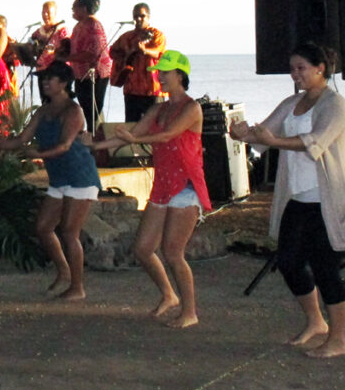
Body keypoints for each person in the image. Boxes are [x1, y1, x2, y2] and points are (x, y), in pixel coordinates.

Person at [230, 42, 345, 358]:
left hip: (327, 198)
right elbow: (264, 133)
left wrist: (274, 140)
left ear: (320, 68)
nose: (295, 75)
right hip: (298, 196)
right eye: (292, 69)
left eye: (301, 68)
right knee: (289, 261)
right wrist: (241, 133)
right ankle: (316, 322)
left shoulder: (335, 105)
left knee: (325, 268)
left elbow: (314, 142)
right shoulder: (292, 102)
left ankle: (340, 337)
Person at [92, 50, 209, 328]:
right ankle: (170, 295)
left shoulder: (192, 108)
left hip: (186, 185)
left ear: (180, 75)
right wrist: (93, 146)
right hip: (164, 185)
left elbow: (167, 135)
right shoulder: (158, 108)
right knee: (143, 248)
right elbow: (129, 135)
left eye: (165, 72)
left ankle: (190, 312)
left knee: (172, 252)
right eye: (159, 72)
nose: (159, 76)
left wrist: (135, 137)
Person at [0, 61, 100, 299]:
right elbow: (21, 139)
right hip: (59, 176)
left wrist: (37, 155)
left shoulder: (74, 110)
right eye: (43, 80)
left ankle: (78, 287)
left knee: (70, 232)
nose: (44, 83)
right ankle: (64, 272)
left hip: (79, 175)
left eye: (49, 79)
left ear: (63, 83)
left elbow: (64, 145)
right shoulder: (43, 111)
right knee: (43, 228)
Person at [109, 3, 166, 123]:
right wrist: (125, 58)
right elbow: (112, 52)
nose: (138, 19)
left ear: (148, 17)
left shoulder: (156, 35)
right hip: (131, 89)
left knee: (154, 127)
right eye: (135, 16)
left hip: (152, 89)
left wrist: (144, 50)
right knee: (131, 127)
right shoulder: (126, 37)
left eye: (142, 16)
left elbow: (158, 53)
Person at [68, 0, 112, 132]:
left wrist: (67, 58)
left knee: (93, 112)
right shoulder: (79, 25)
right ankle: (92, 139)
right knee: (86, 110)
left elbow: (91, 53)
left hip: (95, 75)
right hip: (81, 75)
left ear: (84, 8)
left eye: (74, 8)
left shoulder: (93, 24)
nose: (72, 11)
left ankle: (96, 143)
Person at [30, 0, 69, 100]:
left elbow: (67, 49)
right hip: (42, 71)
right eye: (43, 12)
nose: (45, 15)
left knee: (57, 103)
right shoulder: (38, 32)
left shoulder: (62, 30)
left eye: (48, 13)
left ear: (55, 14)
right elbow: (30, 44)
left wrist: (55, 51)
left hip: (57, 73)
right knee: (45, 101)